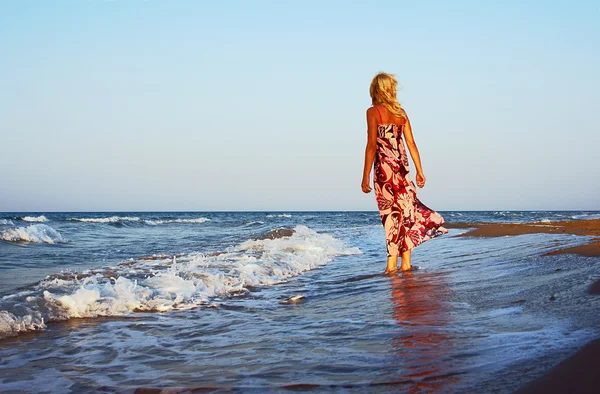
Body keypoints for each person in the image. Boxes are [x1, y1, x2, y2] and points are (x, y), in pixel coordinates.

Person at [361, 72, 447, 274]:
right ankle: (405, 264)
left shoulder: (373, 112)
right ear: (391, 89)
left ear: (375, 90)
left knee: (390, 216)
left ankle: (391, 265)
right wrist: (419, 170)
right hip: (402, 170)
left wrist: (365, 176)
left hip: (384, 172)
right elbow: (411, 143)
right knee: (406, 215)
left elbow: (371, 145)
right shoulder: (402, 113)